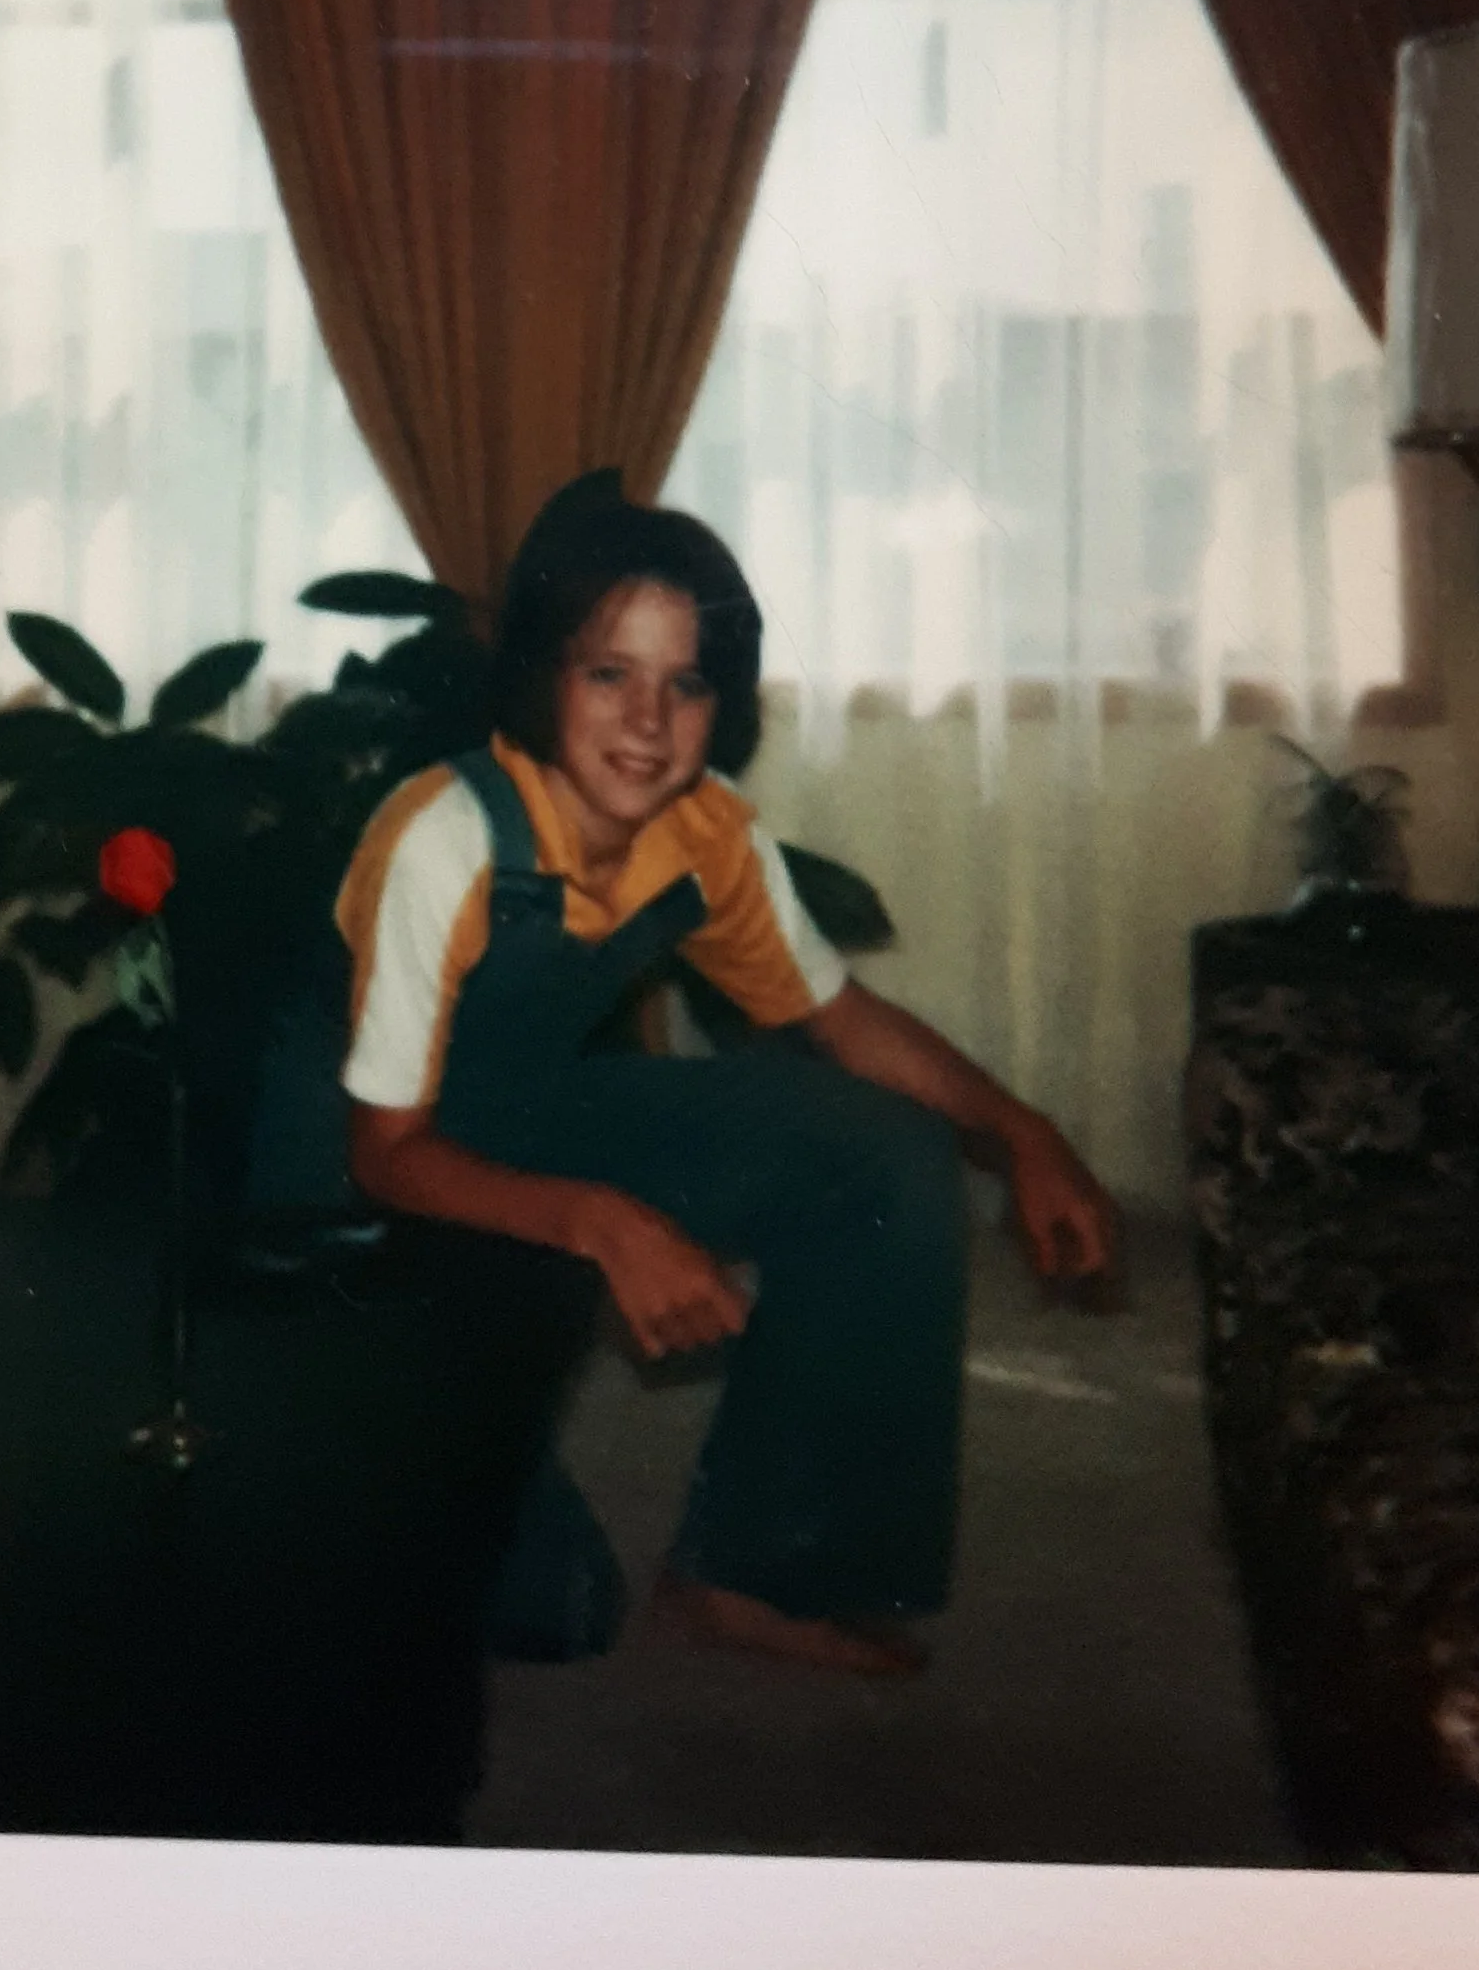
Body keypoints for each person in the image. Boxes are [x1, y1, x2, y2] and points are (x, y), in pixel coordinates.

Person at [334, 475, 1119, 1679]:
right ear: (545, 675)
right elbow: (383, 1155)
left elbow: (843, 1021)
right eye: (610, 673)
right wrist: (606, 1223)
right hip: (361, 1187)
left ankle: (757, 1570)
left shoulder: (707, 838)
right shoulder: (441, 836)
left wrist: (1023, 1131)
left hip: (531, 1120)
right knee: (546, 1609)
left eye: (685, 682)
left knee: (882, 1154)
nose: (648, 722)